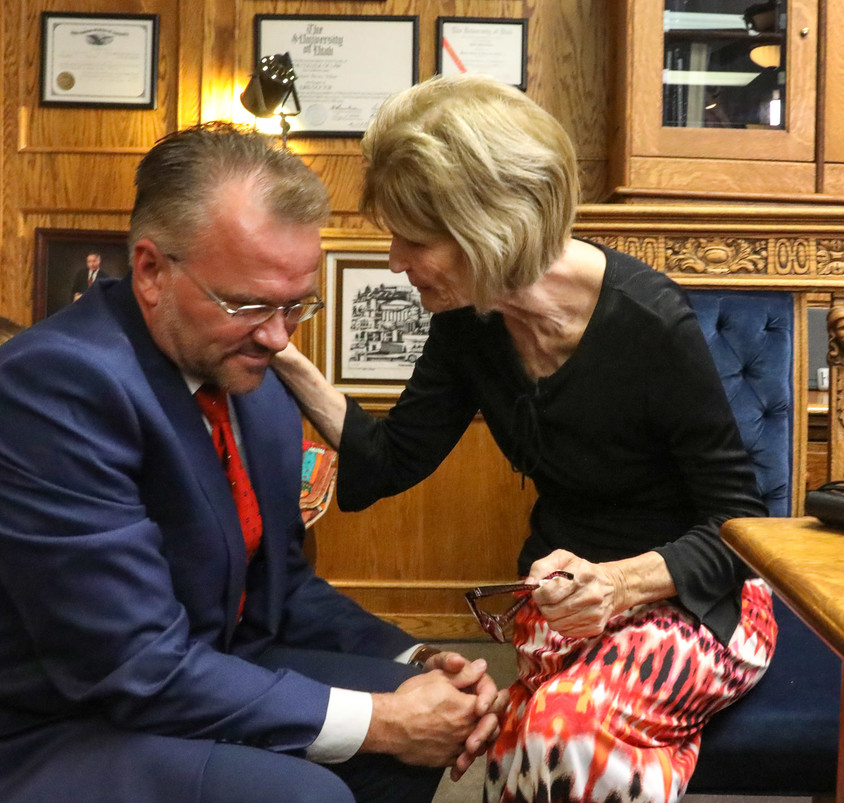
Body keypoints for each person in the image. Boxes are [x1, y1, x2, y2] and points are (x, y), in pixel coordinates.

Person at [272, 75, 776, 802]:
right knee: (523, 745)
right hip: (565, 606)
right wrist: (285, 355)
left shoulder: (648, 321)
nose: (394, 261)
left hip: (697, 604)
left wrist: (620, 581)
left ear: (488, 226)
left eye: (413, 240)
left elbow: (740, 529)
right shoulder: (467, 322)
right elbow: (387, 461)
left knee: (560, 734)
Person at [0, 123, 505, 803]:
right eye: (248, 304)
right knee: (312, 788)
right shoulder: (55, 386)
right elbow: (134, 666)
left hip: (205, 666)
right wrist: (382, 722)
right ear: (151, 270)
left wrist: (415, 659)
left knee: (415, 706)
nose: (278, 337)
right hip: (57, 722)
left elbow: (282, 590)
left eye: (297, 304)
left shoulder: (254, 382)